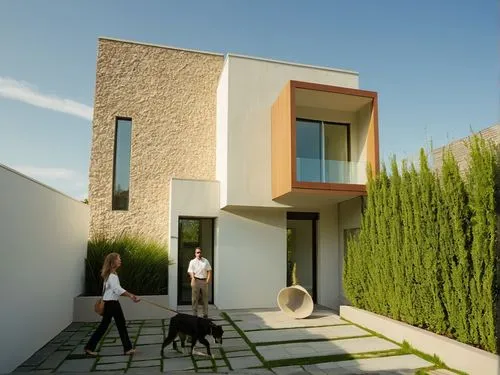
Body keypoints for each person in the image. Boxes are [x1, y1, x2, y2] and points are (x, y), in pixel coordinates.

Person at [84, 252, 140, 356]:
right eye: (118, 259)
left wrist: (129, 295)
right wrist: (131, 295)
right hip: (112, 304)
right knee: (120, 325)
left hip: (108, 303)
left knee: (105, 325)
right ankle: (127, 349)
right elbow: (117, 289)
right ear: (112, 261)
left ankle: (89, 347)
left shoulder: (109, 274)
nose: (120, 260)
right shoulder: (112, 275)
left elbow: (115, 290)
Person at [187, 247, 212, 318]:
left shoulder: (205, 261)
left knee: (205, 298)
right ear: (195, 254)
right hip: (196, 280)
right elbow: (190, 271)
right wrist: (192, 278)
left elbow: (209, 270)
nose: (199, 254)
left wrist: (208, 280)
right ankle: (194, 315)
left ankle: (205, 314)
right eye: (197, 252)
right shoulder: (192, 261)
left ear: (202, 253)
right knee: (195, 299)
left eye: (200, 252)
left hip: (204, 281)